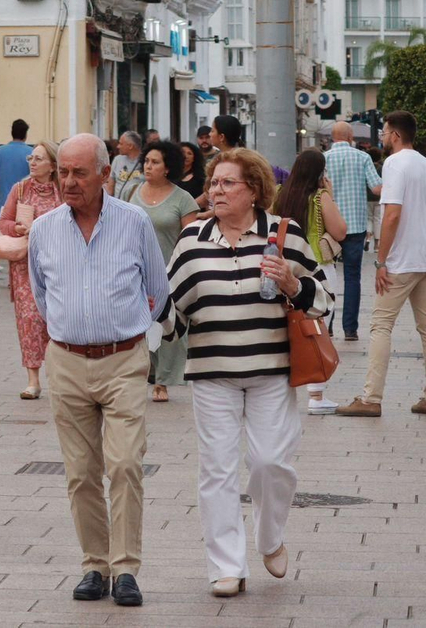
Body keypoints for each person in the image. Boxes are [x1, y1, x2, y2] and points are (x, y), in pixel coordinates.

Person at [159, 147, 328, 597]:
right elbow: (172, 314)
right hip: (212, 374)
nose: (215, 190)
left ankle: (270, 537)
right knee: (217, 470)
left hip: (271, 371)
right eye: (213, 183)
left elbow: (324, 299)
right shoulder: (192, 242)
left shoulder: (284, 236)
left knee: (271, 463)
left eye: (226, 183)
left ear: (253, 191)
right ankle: (226, 567)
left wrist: (293, 284)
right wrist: (147, 309)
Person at [27, 134, 168, 609]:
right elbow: (41, 294)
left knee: (126, 463)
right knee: (81, 472)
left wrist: (132, 336)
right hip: (66, 361)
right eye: (63, 171)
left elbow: (158, 289)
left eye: (79, 173)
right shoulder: (44, 229)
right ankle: (95, 566)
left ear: (105, 174)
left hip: (124, 360)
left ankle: (126, 569)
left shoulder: (134, 223)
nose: (68, 181)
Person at [336, 110, 426, 418]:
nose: (381, 137)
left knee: (381, 325)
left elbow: (393, 214)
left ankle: (371, 398)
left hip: (401, 260)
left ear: (395, 135)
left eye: (383, 133)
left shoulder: (395, 164)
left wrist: (382, 260)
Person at [271, 150, 347, 415]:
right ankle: (316, 395)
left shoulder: (280, 194)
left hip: (285, 266)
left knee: (286, 328)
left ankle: (280, 391)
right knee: (315, 328)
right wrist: (330, 195)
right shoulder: (319, 197)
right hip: (317, 269)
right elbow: (340, 231)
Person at [127, 140, 199, 403]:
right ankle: (147, 373)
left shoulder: (183, 199)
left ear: (168, 168)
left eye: (155, 162)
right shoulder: (133, 192)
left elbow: (190, 239)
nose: (148, 166)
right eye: (146, 161)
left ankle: (163, 381)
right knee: (140, 326)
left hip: (171, 271)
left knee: (168, 326)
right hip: (136, 272)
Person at [0, 141, 58, 399]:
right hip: (24, 265)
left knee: (55, 320)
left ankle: (58, 377)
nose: (32, 162)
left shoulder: (63, 192)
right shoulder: (20, 189)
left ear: (53, 166)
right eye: (31, 158)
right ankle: (33, 379)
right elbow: (4, 222)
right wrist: (18, 229)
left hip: (57, 264)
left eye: (39, 159)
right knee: (29, 320)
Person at [323, 120, 381, 342]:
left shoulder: (324, 159)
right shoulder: (363, 157)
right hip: (355, 227)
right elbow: (376, 187)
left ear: (332, 137)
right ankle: (350, 329)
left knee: (327, 275)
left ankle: (327, 324)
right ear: (350, 137)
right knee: (352, 277)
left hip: (329, 227)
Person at [0, 118, 35, 219]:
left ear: (12, 132)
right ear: (26, 135)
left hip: (3, 206)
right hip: (24, 208)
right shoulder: (32, 153)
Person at [109, 131, 144, 201]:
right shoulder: (117, 160)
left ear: (130, 146)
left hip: (136, 207)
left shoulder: (146, 161)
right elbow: (110, 187)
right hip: (119, 206)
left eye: (121, 144)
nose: (118, 146)